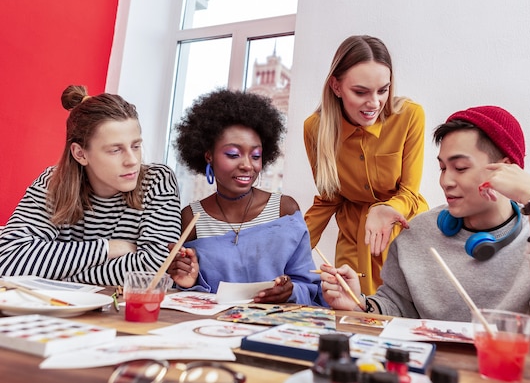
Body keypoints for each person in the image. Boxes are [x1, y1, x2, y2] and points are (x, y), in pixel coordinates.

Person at [319, 105, 530, 344]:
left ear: (505, 168)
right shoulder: (417, 234)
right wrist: (359, 304)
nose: (445, 181)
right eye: (442, 167)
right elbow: (396, 307)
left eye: (460, 168)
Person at [0, 85, 182, 286]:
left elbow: (155, 269)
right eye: (115, 150)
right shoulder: (53, 183)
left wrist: (56, 275)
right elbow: (7, 259)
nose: (132, 160)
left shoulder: (157, 181)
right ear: (80, 154)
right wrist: (109, 248)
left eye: (136, 146)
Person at [167, 88, 325, 305]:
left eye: (256, 155)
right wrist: (187, 282)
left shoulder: (283, 210)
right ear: (208, 156)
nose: (247, 165)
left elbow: (310, 287)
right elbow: (187, 294)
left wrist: (290, 292)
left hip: (275, 328)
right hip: (215, 330)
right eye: (233, 154)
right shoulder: (192, 218)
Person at [303, 35, 429, 294]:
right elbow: (329, 198)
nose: (374, 103)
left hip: (402, 231)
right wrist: (293, 247)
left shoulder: (409, 116)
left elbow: (408, 192)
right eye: (360, 92)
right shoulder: (315, 129)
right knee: (352, 316)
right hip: (353, 238)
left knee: (401, 317)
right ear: (336, 87)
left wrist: (385, 209)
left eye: (383, 90)